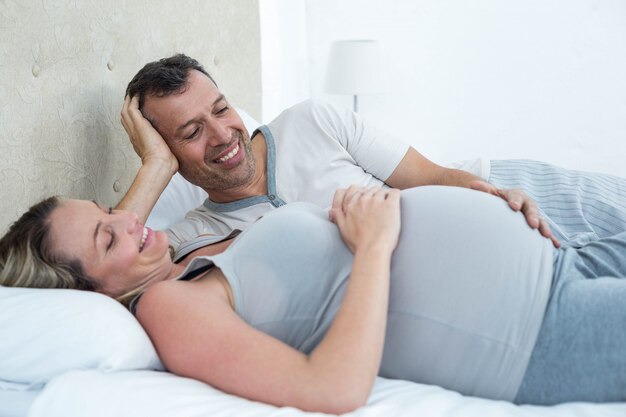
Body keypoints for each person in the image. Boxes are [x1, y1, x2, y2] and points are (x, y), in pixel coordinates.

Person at [1, 185, 625, 412]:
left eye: (113, 209)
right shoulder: (168, 310)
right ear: (87, 293)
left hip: (555, 255)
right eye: (108, 237)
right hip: (537, 329)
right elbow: (332, 389)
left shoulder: (186, 260)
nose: (130, 222)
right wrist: (374, 244)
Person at [118, 54, 579, 251]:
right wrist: (156, 168)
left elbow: (431, 176)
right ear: (167, 151)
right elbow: (101, 276)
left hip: (512, 192)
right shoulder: (198, 235)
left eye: (222, 109)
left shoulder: (313, 119)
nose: (223, 135)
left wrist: (498, 194)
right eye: (193, 131)